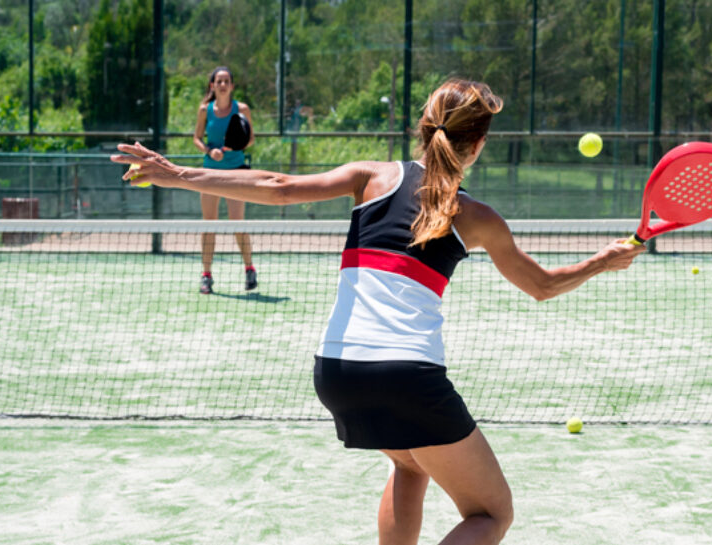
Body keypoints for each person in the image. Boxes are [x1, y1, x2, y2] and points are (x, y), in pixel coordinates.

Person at [112, 79, 643, 544]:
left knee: (410, 464)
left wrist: (176, 173)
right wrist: (603, 260)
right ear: (477, 144)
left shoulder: (373, 176)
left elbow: (278, 186)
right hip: (405, 376)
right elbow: (542, 286)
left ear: (423, 127)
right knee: (491, 513)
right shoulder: (478, 217)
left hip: (337, 371)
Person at [193, 66, 257, 294]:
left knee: (237, 224)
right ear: (212, 86)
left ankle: (249, 269)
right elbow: (197, 139)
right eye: (218, 81)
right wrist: (210, 151)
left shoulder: (242, 109)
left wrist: (234, 146)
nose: (222, 85)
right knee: (209, 225)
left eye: (226, 81)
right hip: (210, 174)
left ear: (231, 86)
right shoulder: (204, 110)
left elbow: (250, 139)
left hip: (236, 173)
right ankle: (206, 275)